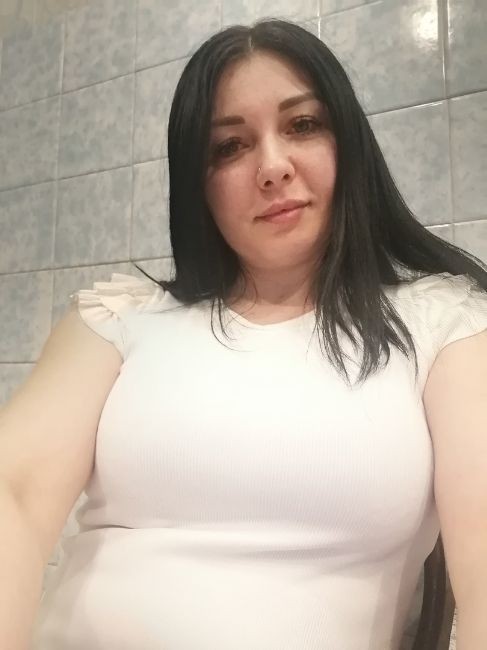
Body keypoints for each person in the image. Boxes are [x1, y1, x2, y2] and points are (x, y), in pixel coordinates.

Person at [1, 18, 486, 650]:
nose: (272, 166)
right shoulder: (117, 318)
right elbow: (14, 491)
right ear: (197, 184)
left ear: (348, 143)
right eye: (229, 146)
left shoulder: (443, 325)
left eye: (302, 125)